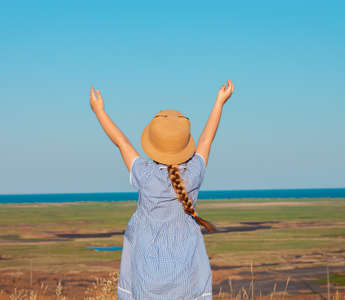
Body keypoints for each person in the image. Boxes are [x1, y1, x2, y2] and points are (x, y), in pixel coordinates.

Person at [89, 79, 235, 300]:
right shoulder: (193, 174)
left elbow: (121, 142)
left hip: (146, 284)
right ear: (185, 145)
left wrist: (99, 111)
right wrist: (219, 102)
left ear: (153, 144)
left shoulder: (145, 175)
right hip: (187, 285)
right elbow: (207, 139)